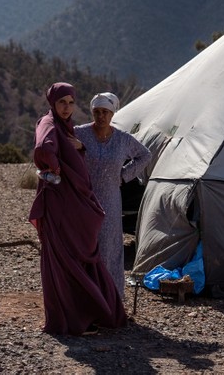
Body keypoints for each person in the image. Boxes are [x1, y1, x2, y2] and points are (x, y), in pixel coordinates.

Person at [28, 82, 127, 335]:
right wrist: (55, 171)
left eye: (71, 102)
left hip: (72, 202)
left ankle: (83, 313)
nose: (67, 107)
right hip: (60, 205)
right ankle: (72, 319)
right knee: (68, 259)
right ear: (53, 103)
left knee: (76, 256)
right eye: (62, 102)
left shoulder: (67, 127)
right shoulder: (48, 123)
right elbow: (42, 149)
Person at [74, 92, 151, 297]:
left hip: (110, 198)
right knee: (85, 245)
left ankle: (110, 297)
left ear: (112, 113)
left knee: (108, 248)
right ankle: (84, 296)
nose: (101, 116)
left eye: (105, 112)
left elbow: (145, 155)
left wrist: (124, 176)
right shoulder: (79, 133)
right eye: (97, 112)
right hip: (84, 197)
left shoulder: (122, 139)